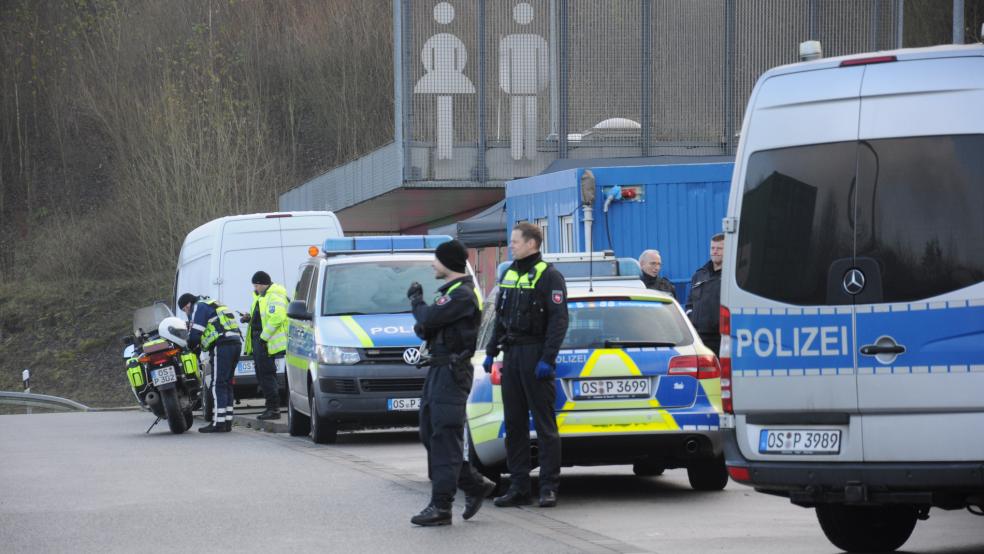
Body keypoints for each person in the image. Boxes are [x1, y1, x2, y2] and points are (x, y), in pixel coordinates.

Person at [406, 239, 495, 526]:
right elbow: (424, 328)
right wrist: (425, 316)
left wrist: (417, 302)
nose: (433, 264)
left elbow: (428, 318)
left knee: (444, 436)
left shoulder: (463, 295)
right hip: (438, 370)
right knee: (429, 432)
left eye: (436, 259)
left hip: (452, 372)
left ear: (448, 263)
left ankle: (441, 506)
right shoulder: (452, 292)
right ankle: (473, 485)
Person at [483, 222, 568, 508]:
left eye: (516, 241)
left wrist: (548, 358)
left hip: (535, 354)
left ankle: (548, 487)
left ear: (532, 244)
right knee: (514, 425)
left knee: (545, 427)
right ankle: (519, 486)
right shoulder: (508, 274)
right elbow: (500, 318)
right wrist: (491, 351)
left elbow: (559, 321)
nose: (512, 245)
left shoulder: (550, 276)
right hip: (512, 355)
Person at [179, 293, 242, 433]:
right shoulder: (211, 303)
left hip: (222, 345)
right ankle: (226, 421)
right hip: (235, 342)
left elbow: (195, 334)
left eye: (184, 310)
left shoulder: (198, 307)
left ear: (188, 304)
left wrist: (188, 350)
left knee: (217, 384)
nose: (186, 313)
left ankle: (218, 423)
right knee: (227, 383)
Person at [241, 271, 289, 421]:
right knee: (262, 375)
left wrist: (263, 338)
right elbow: (261, 317)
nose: (255, 288)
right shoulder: (261, 297)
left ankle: (274, 409)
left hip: (267, 343)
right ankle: (270, 407)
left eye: (256, 285)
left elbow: (277, 318)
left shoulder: (274, 296)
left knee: (267, 375)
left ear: (263, 284)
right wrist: (249, 318)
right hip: (260, 342)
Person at [685, 233, 724, 355]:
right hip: (699, 338)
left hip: (721, 338)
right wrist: (692, 319)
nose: (715, 251)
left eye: (719, 248)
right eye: (712, 248)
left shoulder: (731, 277)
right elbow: (689, 304)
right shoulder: (699, 275)